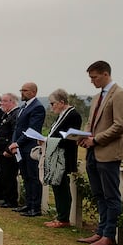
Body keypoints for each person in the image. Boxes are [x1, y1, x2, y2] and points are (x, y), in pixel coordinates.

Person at [77, 61, 123, 245]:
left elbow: (121, 125)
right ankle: (100, 231)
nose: (92, 81)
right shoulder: (96, 97)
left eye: (94, 77)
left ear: (106, 74)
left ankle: (109, 235)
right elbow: (90, 122)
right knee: (98, 194)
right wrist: (84, 136)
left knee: (111, 196)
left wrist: (97, 139)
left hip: (108, 152)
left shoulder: (120, 94)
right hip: (93, 152)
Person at [41, 89, 82, 228]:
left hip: (64, 155)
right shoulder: (62, 115)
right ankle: (60, 215)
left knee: (62, 186)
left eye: (53, 103)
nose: (51, 106)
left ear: (62, 102)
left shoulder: (73, 115)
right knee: (57, 186)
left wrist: (49, 140)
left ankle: (64, 218)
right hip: (56, 154)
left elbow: (70, 138)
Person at [9, 82, 46, 216]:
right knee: (26, 176)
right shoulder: (23, 107)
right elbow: (18, 127)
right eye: (21, 90)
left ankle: (35, 207)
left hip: (30, 147)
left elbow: (32, 129)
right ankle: (28, 204)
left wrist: (17, 143)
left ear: (33, 92)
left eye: (25, 90)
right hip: (20, 147)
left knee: (33, 177)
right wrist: (14, 143)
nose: (22, 92)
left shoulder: (38, 107)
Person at [0, 92, 21, 209]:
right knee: (4, 175)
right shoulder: (6, 115)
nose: (1, 103)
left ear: (12, 102)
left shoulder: (15, 114)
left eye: (4, 101)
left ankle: (11, 200)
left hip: (7, 151)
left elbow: (13, 133)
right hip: (0, 149)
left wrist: (8, 149)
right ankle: (6, 198)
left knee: (9, 176)